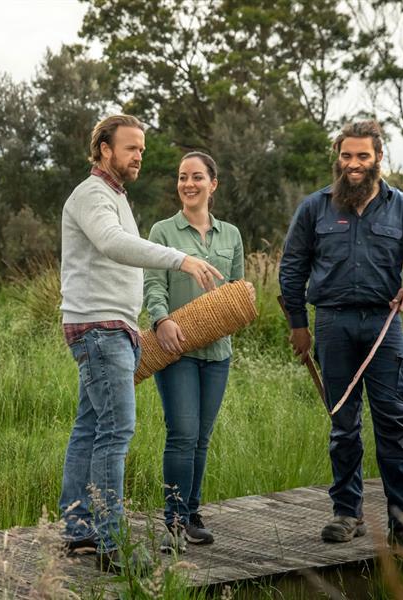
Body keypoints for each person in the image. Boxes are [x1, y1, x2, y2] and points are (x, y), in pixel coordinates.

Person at [59, 115, 223, 573]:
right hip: (100, 329)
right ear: (105, 149)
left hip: (113, 329)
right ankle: (111, 546)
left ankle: (78, 533)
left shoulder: (114, 197)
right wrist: (181, 260)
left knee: (90, 429)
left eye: (142, 150)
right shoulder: (92, 194)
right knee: (115, 432)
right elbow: (113, 245)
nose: (138, 157)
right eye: (131, 148)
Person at [278, 120, 403, 552]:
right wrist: (298, 324)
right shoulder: (315, 208)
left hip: (385, 327)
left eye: (362, 156)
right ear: (338, 157)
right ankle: (347, 515)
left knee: (394, 426)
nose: (353, 164)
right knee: (342, 426)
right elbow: (292, 267)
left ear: (378, 158)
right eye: (346, 156)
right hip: (331, 325)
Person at [143, 152, 246, 553]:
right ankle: (173, 521)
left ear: (213, 184)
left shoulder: (231, 235)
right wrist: (160, 319)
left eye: (197, 177)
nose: (189, 184)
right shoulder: (162, 231)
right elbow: (153, 283)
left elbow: (236, 290)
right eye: (183, 177)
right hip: (175, 349)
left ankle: (192, 514)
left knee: (201, 437)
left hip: (217, 352)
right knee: (182, 434)